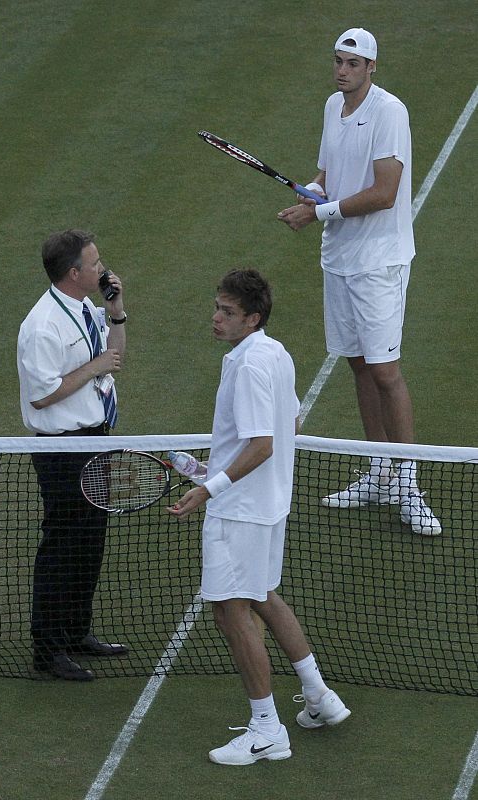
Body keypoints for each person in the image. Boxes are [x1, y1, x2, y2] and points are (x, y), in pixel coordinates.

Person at [168, 269, 350, 765]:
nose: (216, 318)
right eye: (217, 307)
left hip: (239, 511)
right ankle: (319, 696)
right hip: (268, 505)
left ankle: (267, 730)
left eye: (227, 313)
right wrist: (210, 467)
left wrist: (209, 487)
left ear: (252, 318)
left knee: (231, 610)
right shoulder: (276, 352)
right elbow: (287, 421)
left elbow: (264, 445)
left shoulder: (247, 365)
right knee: (264, 596)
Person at [277, 27, 441, 536]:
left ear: (372, 67)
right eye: (338, 61)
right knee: (358, 366)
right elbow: (329, 172)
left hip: (379, 261)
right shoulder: (333, 106)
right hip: (340, 258)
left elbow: (386, 192)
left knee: (386, 371)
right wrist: (314, 194)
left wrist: (321, 211)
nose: (342, 69)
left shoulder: (390, 112)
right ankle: (381, 471)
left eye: (352, 63)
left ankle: (409, 485)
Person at [17, 229, 129, 681]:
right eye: (95, 262)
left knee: (91, 541)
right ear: (73, 272)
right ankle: (48, 649)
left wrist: (115, 312)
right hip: (64, 450)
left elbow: (115, 358)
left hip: (96, 439)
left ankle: (76, 631)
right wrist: (94, 367)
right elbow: (41, 396)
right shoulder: (42, 326)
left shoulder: (85, 307)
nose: (102, 268)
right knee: (63, 545)